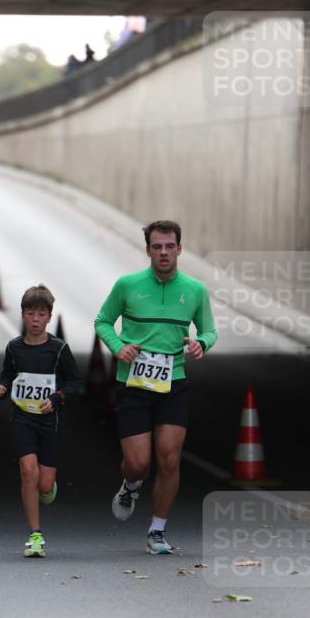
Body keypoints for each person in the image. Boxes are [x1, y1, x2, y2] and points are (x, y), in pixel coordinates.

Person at [94, 220, 217, 554]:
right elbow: (102, 320)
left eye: (170, 246)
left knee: (169, 459)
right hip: (132, 383)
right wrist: (118, 347)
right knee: (138, 463)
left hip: (173, 382)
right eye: (157, 247)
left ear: (180, 248)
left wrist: (200, 345)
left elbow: (209, 331)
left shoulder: (194, 290)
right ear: (148, 249)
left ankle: (157, 531)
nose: (164, 252)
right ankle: (131, 485)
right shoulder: (127, 285)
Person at [0, 285, 82, 557]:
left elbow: (75, 382)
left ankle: (47, 487)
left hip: (48, 421)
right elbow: (7, 375)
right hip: (22, 418)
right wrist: (2, 388)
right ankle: (35, 534)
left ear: (49, 317)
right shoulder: (14, 347)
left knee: (44, 485)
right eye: (30, 313)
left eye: (41, 314)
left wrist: (56, 398)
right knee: (28, 470)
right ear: (22, 315)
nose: (35, 319)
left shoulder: (58, 348)